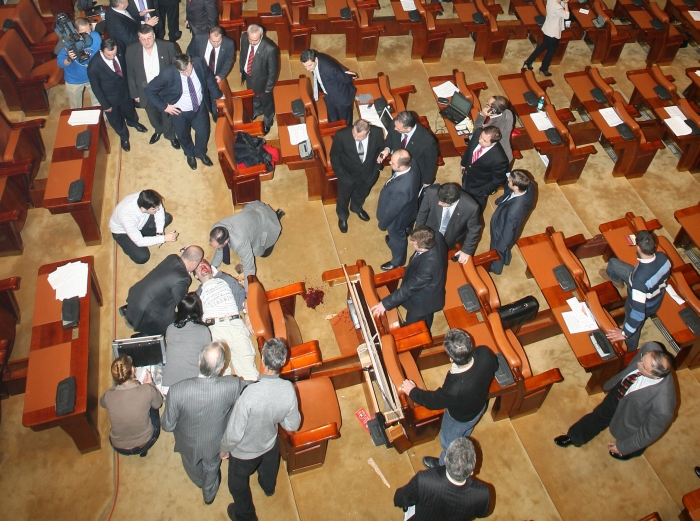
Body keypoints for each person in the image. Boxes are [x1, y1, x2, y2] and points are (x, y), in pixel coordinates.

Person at [220, 338, 301, 521]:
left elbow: (234, 433)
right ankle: (268, 488)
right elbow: (292, 425)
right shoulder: (288, 389)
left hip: (244, 453)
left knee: (236, 486)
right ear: (283, 362)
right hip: (270, 445)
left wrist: (223, 450)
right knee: (269, 471)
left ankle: (245, 516)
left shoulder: (249, 394)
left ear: (262, 360)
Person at [554, 342, 676, 460]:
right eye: (642, 358)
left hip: (633, 416)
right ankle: (576, 436)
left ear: (655, 376)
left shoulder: (663, 406)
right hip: (620, 392)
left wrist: (623, 447)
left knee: (632, 435)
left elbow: (647, 434)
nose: (639, 363)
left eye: (643, 366)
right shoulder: (651, 348)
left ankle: (631, 451)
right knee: (599, 414)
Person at [162, 341, 248, 504]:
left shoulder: (177, 390)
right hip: (215, 443)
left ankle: (199, 481)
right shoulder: (231, 385)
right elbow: (249, 391)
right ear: (222, 366)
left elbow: (167, 426)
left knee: (192, 467)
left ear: (199, 361)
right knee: (211, 467)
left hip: (188, 443)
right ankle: (209, 493)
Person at [400, 328, 497, 468]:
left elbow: (434, 401)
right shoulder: (485, 353)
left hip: (458, 419)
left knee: (449, 444)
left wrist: (412, 391)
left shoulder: (455, 386)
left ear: (451, 358)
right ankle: (462, 439)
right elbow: (495, 365)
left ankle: (442, 466)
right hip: (479, 408)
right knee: (465, 432)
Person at [145, 53, 223, 170]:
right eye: (183, 72)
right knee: (183, 135)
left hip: (199, 107)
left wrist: (218, 95)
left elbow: (209, 78)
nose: (187, 73)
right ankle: (190, 154)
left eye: (189, 69)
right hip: (179, 112)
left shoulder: (200, 63)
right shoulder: (168, 74)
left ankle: (200, 153)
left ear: (191, 62)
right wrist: (165, 107)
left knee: (203, 133)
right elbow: (149, 90)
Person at [599, 230, 671, 352]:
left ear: (638, 247)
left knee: (633, 327)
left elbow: (638, 314)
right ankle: (617, 280)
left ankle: (630, 349)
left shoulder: (639, 280)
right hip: (649, 287)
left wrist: (624, 333)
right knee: (612, 263)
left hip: (644, 304)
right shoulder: (663, 257)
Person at [394, 437, 491, 521]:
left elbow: (400, 498)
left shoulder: (424, 480)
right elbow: (481, 513)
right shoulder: (483, 493)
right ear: (472, 471)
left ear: (445, 459)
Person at [194, 260, 259, 382]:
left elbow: (245, 300)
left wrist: (248, 318)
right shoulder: (197, 294)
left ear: (211, 268)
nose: (202, 265)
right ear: (196, 276)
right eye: (198, 267)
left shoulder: (224, 279)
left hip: (236, 325)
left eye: (204, 263)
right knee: (220, 377)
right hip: (216, 329)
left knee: (249, 372)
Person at [371, 226, 447, 330]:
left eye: (414, 242)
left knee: (413, 324)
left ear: (424, 248)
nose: (411, 242)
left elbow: (407, 289)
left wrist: (384, 304)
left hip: (423, 301)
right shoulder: (436, 236)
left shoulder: (427, 269)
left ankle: (421, 330)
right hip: (431, 284)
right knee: (427, 315)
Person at [123, 245, 204, 336]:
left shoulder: (172, 257)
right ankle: (144, 335)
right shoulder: (182, 279)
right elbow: (182, 305)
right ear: (193, 262)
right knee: (179, 325)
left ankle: (128, 312)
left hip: (135, 297)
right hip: (144, 314)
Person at [87, 38, 148, 152]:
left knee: (129, 109)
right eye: (109, 55)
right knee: (116, 119)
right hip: (110, 98)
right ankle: (124, 136)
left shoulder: (118, 46)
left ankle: (133, 122)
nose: (113, 57)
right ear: (102, 51)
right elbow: (96, 88)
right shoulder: (94, 67)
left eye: (115, 53)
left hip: (125, 91)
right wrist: (105, 105)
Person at [125, 24, 180, 148]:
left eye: (149, 38)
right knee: (152, 114)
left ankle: (170, 135)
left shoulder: (168, 47)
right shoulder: (131, 50)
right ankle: (158, 130)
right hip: (145, 90)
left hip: (165, 89)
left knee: (167, 114)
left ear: (154, 36)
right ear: (139, 38)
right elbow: (130, 73)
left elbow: (177, 69)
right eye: (143, 39)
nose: (146, 41)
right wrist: (135, 94)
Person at [100, 355, 163, 457]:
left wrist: (116, 386)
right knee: (152, 402)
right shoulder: (147, 390)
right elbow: (159, 403)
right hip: (146, 441)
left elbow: (102, 403)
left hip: (118, 446)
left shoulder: (108, 395)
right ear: (133, 370)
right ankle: (143, 450)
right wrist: (150, 384)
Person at [209, 201, 284, 285]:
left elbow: (249, 269)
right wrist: (212, 267)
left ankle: (277, 216)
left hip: (264, 222)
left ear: (226, 240)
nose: (215, 248)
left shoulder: (240, 243)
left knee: (264, 253)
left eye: (217, 247)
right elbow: (220, 248)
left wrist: (248, 292)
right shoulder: (216, 228)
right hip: (251, 213)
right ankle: (275, 216)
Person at [329, 119, 384, 233]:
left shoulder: (377, 132)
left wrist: (378, 167)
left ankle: (356, 207)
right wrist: (339, 172)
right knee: (343, 198)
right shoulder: (342, 135)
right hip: (347, 175)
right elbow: (334, 155)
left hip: (368, 174)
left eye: (359, 137)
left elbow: (380, 150)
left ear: (368, 133)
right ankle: (343, 216)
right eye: (354, 134)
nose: (355, 138)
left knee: (362, 193)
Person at [415, 183, 482, 265]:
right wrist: (419, 235)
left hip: (452, 240)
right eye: (439, 199)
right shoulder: (431, 192)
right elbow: (422, 213)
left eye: (442, 203)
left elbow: (474, 230)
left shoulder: (471, 207)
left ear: (453, 202)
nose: (439, 203)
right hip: (430, 233)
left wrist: (466, 251)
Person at [376, 149, 421, 271]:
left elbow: (392, 210)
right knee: (398, 234)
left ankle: (397, 261)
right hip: (409, 208)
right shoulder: (413, 163)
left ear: (402, 167)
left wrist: (382, 224)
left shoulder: (402, 188)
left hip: (398, 219)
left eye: (393, 163)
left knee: (397, 239)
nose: (390, 163)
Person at [109, 189, 178, 264]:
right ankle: (131, 241)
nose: (158, 209)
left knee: (167, 218)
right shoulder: (126, 217)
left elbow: (159, 213)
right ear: (143, 209)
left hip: (141, 223)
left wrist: (159, 233)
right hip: (123, 233)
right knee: (142, 257)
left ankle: (144, 235)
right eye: (154, 209)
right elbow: (140, 242)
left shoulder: (149, 198)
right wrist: (163, 238)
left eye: (158, 206)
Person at [488, 170, 535, 275]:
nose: (508, 180)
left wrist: (500, 248)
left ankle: (495, 268)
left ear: (516, 187)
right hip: (510, 219)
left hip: (501, 231)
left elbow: (508, 232)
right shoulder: (529, 185)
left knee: (498, 249)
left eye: (509, 180)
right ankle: (506, 257)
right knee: (506, 246)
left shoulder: (514, 211)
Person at [378, 111, 439, 187]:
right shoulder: (396, 123)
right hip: (398, 165)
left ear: (409, 128)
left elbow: (431, 163)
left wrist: (427, 181)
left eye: (398, 128)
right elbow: (390, 136)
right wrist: (387, 149)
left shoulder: (427, 141)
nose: (395, 128)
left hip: (414, 171)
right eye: (395, 126)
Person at [162, 293, 212, 387]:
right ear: (198, 310)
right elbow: (208, 361)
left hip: (168, 385)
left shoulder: (170, 328)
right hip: (192, 386)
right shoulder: (203, 331)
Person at [300, 49, 357, 125]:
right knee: (332, 117)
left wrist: (351, 75)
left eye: (309, 65)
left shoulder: (328, 68)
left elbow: (344, 78)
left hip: (342, 97)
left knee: (344, 122)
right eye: (305, 66)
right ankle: (334, 131)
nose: (308, 69)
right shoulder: (314, 60)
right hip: (328, 93)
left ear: (316, 59)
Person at [240, 25, 280, 135]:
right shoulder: (244, 37)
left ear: (261, 36)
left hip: (263, 82)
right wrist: (241, 69)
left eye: (255, 40)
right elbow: (243, 54)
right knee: (252, 95)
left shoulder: (270, 49)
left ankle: (268, 121)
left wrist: (268, 88)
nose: (252, 42)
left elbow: (273, 71)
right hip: (249, 75)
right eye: (250, 39)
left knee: (267, 102)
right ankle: (257, 109)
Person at [460, 126, 509, 210]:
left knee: (475, 208)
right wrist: (463, 163)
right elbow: (469, 149)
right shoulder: (479, 132)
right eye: (481, 137)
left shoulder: (500, 159)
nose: (480, 141)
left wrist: (484, 192)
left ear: (494, 143)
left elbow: (498, 180)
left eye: (484, 141)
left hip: (479, 187)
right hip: (467, 177)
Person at [56, 17, 101, 109]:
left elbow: (99, 57)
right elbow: (60, 63)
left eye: (89, 30)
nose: (88, 34)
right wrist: (69, 59)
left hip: (92, 76)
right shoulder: (67, 42)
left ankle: (100, 121)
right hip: (74, 80)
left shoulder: (95, 36)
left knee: (98, 102)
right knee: (76, 107)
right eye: (84, 33)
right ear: (75, 31)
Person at [522, 0, 570, 76]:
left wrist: (563, 3)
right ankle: (544, 68)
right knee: (551, 51)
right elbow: (566, 16)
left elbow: (561, 7)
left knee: (543, 46)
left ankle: (529, 61)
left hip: (548, 28)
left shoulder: (551, 1)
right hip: (553, 32)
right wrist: (566, 3)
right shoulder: (557, 7)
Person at [474, 95, 513, 163]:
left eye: (487, 104)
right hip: (507, 153)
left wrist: (482, 115)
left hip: (496, 159)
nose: (486, 105)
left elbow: (476, 133)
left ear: (493, 110)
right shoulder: (508, 113)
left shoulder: (490, 129)